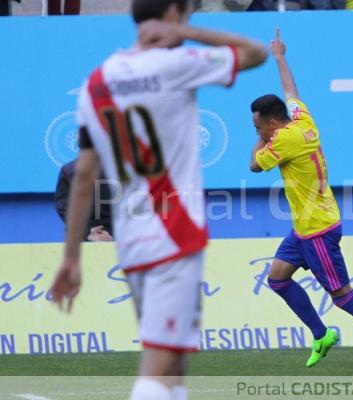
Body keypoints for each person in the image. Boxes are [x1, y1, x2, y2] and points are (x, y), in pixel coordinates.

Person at [49, 1, 267, 399]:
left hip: (131, 240)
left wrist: (71, 258)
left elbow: (83, 176)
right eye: (186, 15)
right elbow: (256, 53)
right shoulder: (174, 65)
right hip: (173, 231)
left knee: (174, 363)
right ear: (172, 14)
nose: (187, 22)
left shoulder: (98, 81)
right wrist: (189, 35)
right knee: (160, 365)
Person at [249, 28, 353, 375]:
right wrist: (280, 57)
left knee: (342, 297)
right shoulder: (302, 120)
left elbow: (254, 164)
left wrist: (259, 138)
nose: (258, 130)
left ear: (272, 124)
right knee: (277, 279)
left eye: (259, 125)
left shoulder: (282, 140)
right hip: (307, 225)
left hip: (317, 230)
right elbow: (291, 91)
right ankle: (321, 334)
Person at [55, 159, 113, 241]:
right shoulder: (69, 170)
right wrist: (88, 233)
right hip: (81, 239)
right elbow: (65, 208)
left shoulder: (68, 169)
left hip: (119, 239)